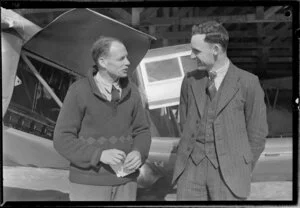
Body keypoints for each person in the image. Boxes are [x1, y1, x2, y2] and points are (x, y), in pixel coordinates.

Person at [172, 21, 268, 200]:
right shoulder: (189, 81)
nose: (192, 56)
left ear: (215, 49)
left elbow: (257, 135)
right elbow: (184, 122)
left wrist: (241, 167)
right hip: (191, 173)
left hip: (230, 176)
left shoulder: (249, 83)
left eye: (196, 51)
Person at [53, 36, 151, 201]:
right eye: (121, 58)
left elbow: (142, 130)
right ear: (103, 62)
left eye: (127, 57)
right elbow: (62, 139)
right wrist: (99, 155)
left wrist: (138, 152)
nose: (128, 62)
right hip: (88, 185)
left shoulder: (133, 91)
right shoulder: (78, 91)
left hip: (127, 184)